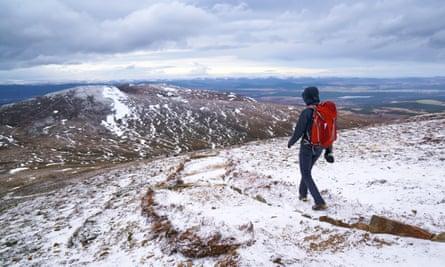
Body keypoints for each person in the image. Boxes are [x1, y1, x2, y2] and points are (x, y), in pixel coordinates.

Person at [287, 86, 334, 211]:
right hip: (319, 148)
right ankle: (302, 194)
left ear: (306, 97)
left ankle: (319, 201)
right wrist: (329, 150)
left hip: (307, 147)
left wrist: (291, 142)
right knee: (306, 171)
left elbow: (299, 130)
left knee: (306, 173)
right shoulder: (324, 112)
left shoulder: (307, 112)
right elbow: (329, 132)